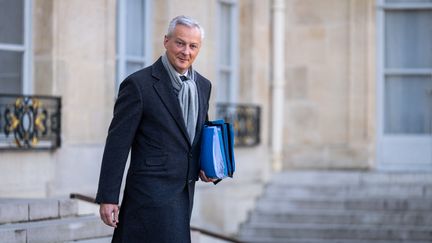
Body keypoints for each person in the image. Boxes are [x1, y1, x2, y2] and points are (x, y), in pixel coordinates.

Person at [95, 15, 215, 243]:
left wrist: (208, 165)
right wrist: (108, 197)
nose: (186, 52)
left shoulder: (203, 85)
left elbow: (198, 133)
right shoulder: (138, 85)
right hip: (148, 195)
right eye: (180, 43)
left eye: (193, 46)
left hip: (184, 192)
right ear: (166, 41)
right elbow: (117, 144)